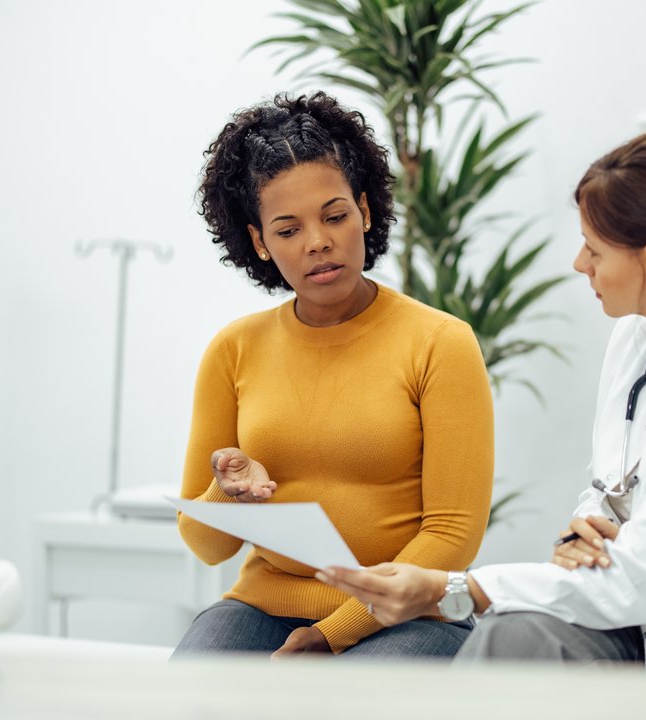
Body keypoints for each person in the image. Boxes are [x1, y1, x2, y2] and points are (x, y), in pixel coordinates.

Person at [317, 127, 646, 677]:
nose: (578, 263)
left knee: (509, 639)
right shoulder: (638, 339)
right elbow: (610, 489)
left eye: (594, 249)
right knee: (513, 639)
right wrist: (584, 529)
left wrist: (451, 590)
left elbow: (641, 579)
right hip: (640, 627)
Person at [172, 92, 494, 659]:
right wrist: (227, 493)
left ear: (365, 212)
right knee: (195, 689)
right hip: (265, 604)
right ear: (259, 243)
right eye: (288, 229)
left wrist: (331, 633)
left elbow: (452, 537)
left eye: (335, 215)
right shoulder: (233, 349)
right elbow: (204, 543)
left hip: (409, 613)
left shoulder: (440, 343)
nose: (318, 241)